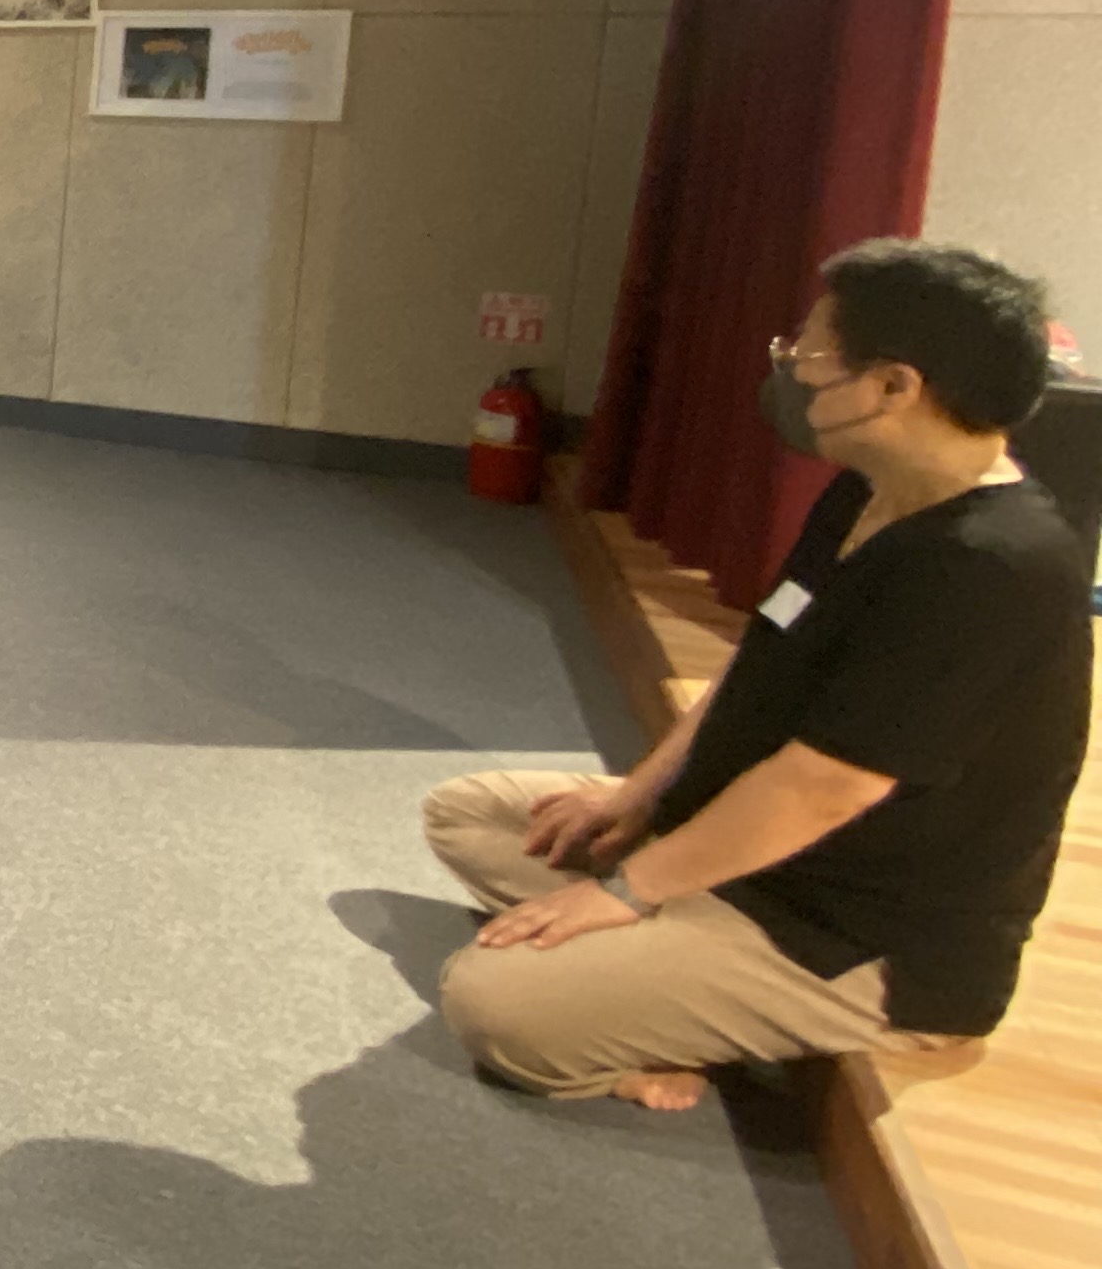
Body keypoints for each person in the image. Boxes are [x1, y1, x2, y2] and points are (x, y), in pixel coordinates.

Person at [422, 240, 1091, 1111]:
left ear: (894, 387)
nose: (793, 373)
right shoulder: (869, 489)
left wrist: (630, 891)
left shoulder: (991, 567)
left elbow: (824, 788)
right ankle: (665, 968)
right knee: (471, 815)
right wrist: (644, 795)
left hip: (849, 936)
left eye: (810, 356)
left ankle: (660, 1013)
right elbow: (761, 661)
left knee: (492, 1001)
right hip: (745, 856)